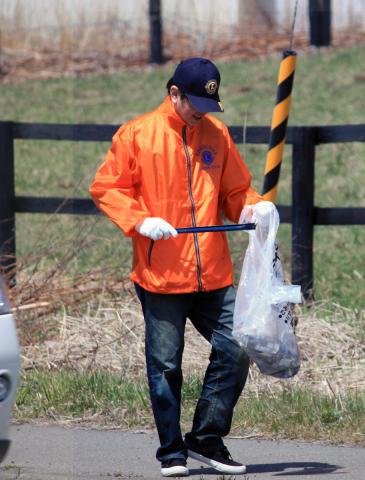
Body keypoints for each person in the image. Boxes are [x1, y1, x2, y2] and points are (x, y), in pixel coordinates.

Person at [90, 57, 272, 478]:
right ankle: (171, 452)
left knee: (237, 346)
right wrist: (140, 220)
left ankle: (206, 439)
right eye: (193, 103)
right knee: (166, 365)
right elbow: (106, 187)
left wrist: (256, 208)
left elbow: (235, 192)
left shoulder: (217, 133)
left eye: (208, 105)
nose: (200, 113)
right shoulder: (137, 135)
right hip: (160, 277)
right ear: (174, 94)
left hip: (213, 272)